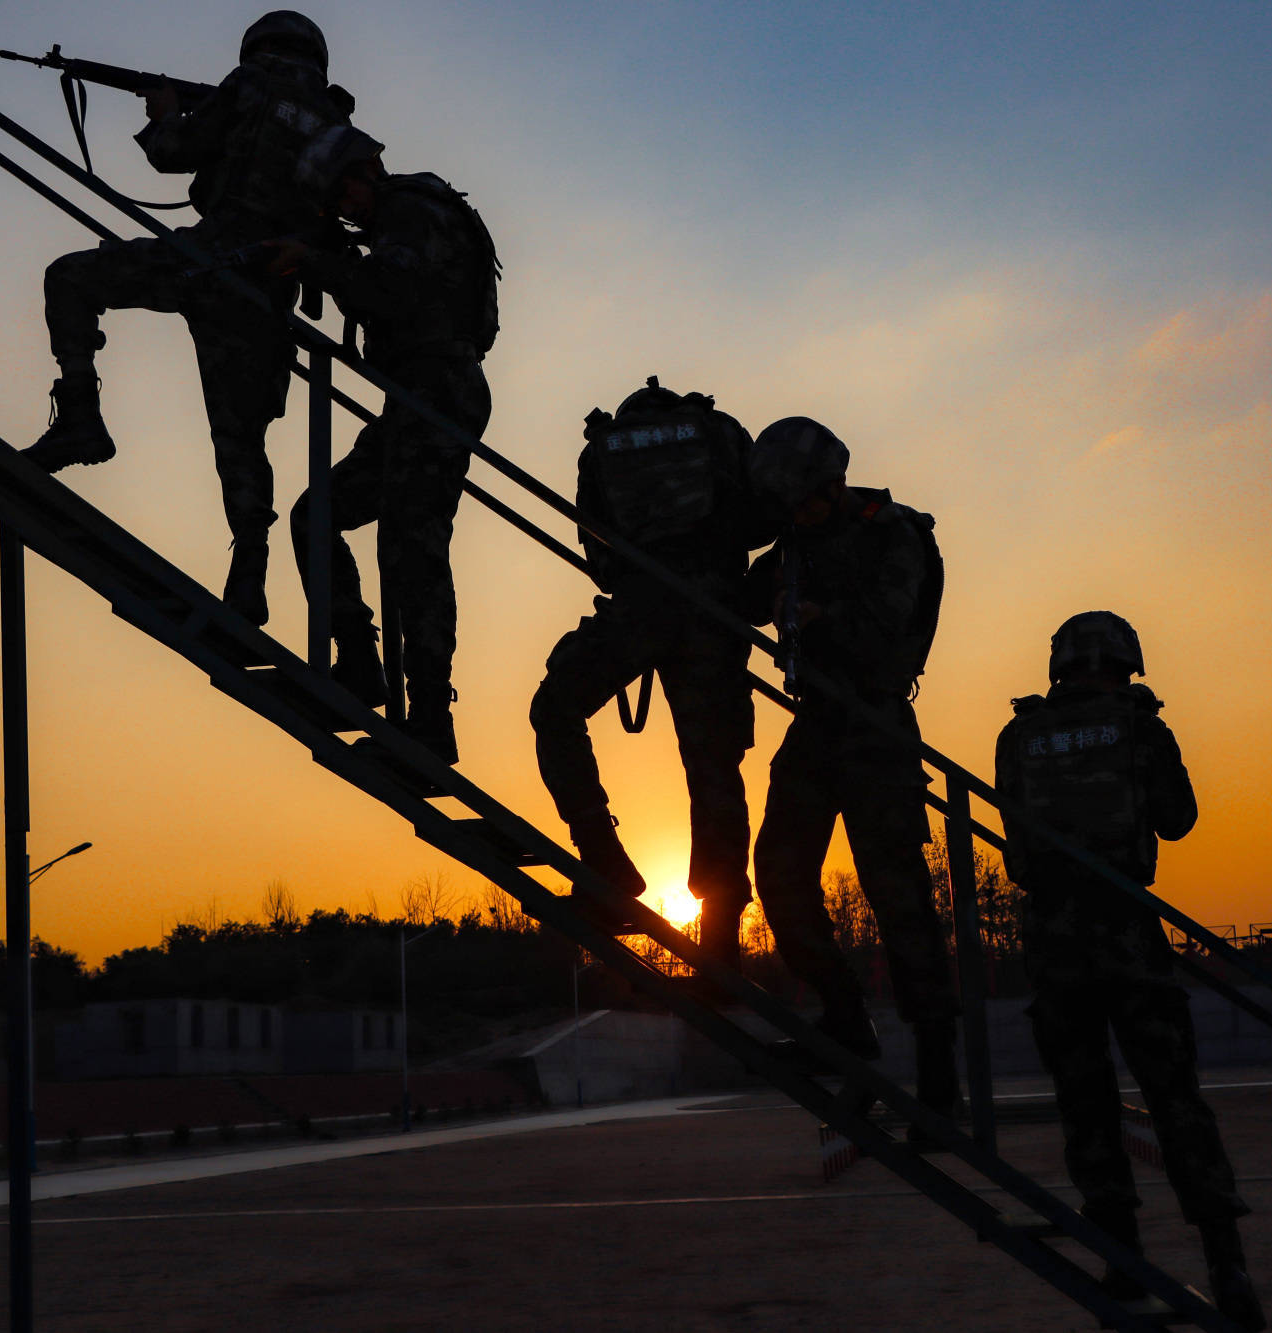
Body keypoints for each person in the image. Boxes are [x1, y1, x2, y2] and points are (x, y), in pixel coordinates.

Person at [22, 11, 353, 626]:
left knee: (69, 277)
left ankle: (79, 418)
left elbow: (176, 154)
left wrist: (164, 112)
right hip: (268, 293)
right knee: (240, 436)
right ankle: (249, 572)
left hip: (212, 260)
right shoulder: (334, 121)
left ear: (258, 44)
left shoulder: (250, 81)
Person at [994, 611, 1263, 1329]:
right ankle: (1224, 1257)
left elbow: (1016, 851)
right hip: (1126, 933)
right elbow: (1177, 819)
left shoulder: (1019, 736)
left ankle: (1119, 1255)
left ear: (1059, 665)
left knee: (1087, 1102)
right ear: (1124, 661)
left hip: (1054, 939)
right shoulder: (1141, 727)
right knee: (1174, 1096)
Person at [743, 417, 959, 1123]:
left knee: (900, 902)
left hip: (876, 723)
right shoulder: (792, 545)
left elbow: (886, 630)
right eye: (788, 508)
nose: (798, 516)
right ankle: (844, 1017)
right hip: (817, 725)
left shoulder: (891, 531)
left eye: (805, 500)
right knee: (776, 869)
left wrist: (814, 615)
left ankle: (938, 1077)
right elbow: (735, 596)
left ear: (833, 483)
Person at [277, 126, 498, 764]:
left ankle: (429, 715)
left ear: (361, 173)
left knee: (413, 549)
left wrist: (314, 260)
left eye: (338, 197)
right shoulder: (403, 213)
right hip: (417, 396)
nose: (341, 213)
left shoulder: (405, 210)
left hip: (438, 390)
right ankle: (360, 663)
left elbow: (388, 292)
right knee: (317, 515)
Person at [528, 378, 766, 962]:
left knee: (555, 709)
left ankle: (605, 864)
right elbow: (758, 524)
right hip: (715, 613)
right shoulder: (720, 433)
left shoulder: (604, 447)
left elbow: (599, 553)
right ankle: (720, 940)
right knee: (713, 771)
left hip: (640, 606)